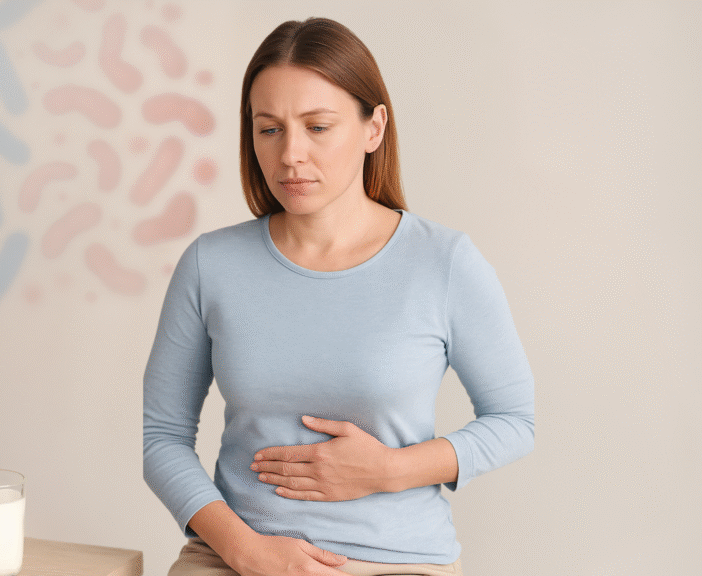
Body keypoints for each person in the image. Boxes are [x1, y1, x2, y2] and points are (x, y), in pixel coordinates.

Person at [143, 16, 534, 576]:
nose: (290, 155)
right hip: (234, 558)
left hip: (394, 560)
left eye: (318, 127)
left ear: (374, 128)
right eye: (269, 128)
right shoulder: (211, 264)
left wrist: (386, 471)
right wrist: (243, 549)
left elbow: (515, 420)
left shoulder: (443, 263)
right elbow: (162, 438)